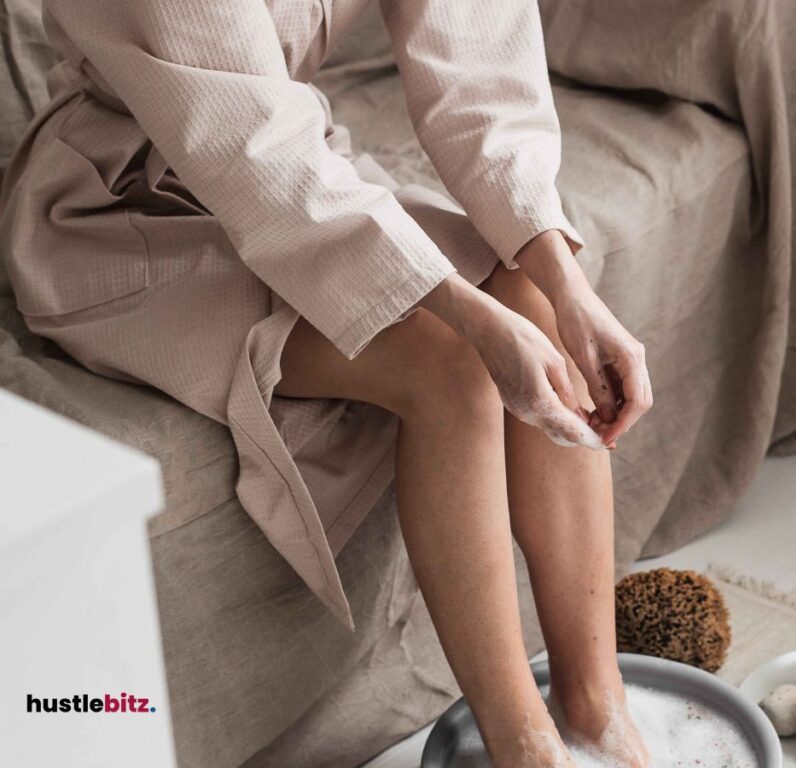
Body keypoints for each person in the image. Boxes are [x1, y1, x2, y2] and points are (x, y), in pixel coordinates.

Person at [0, 0, 653, 765]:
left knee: (534, 302)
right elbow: (247, 150)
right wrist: (470, 317)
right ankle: (524, 745)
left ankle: (595, 707)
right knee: (450, 363)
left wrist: (565, 281)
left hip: (299, 170)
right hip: (122, 208)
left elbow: (479, 64)